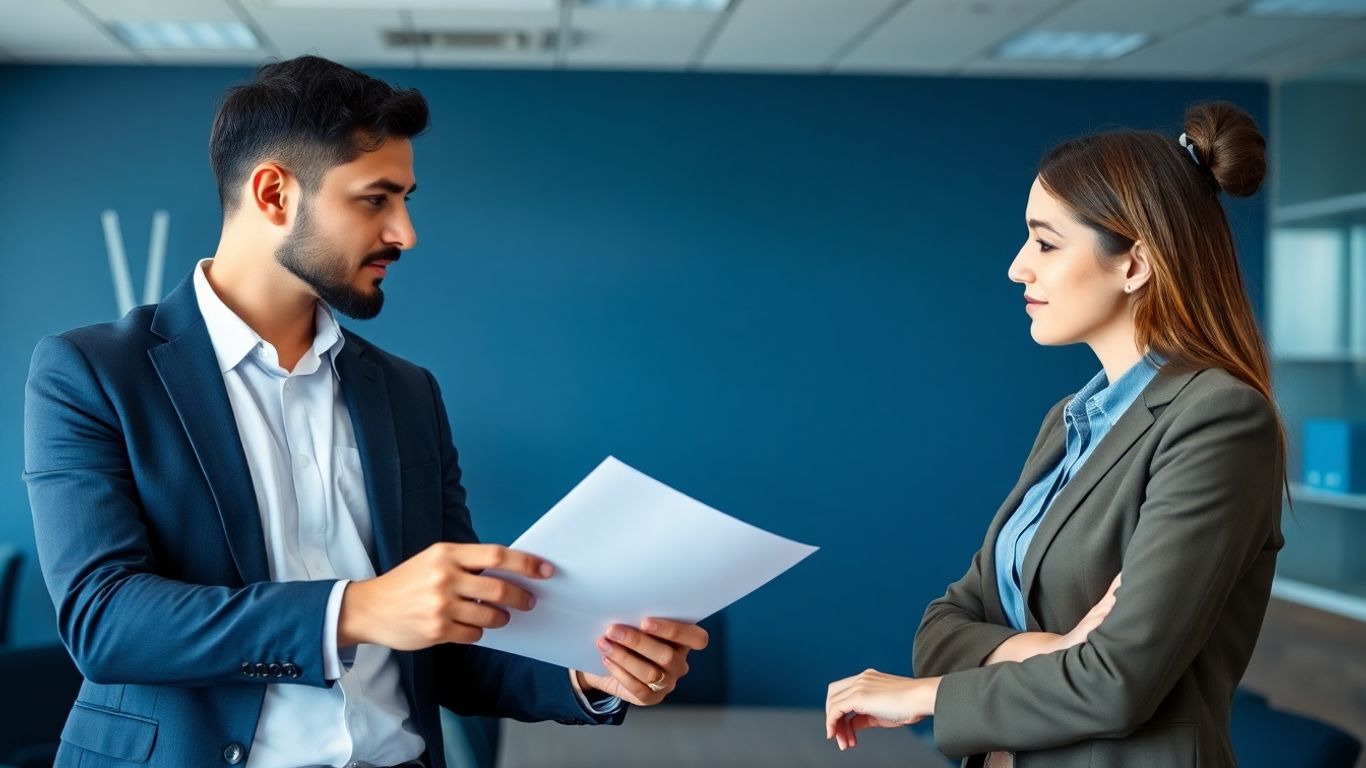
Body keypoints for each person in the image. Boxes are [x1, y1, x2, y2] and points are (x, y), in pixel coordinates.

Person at [24, 55, 706, 768]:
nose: (404, 233)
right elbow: (103, 621)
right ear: (273, 194)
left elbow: (445, 645)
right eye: (375, 200)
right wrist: (357, 609)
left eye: (406, 199)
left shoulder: (408, 394)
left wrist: (587, 674)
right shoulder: (93, 372)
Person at [823, 101, 1285, 768]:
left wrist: (928, 697)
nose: (1018, 266)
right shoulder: (1071, 419)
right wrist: (1044, 647)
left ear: (1135, 264)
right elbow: (942, 624)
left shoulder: (1218, 419)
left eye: (1044, 242)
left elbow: (1116, 683)